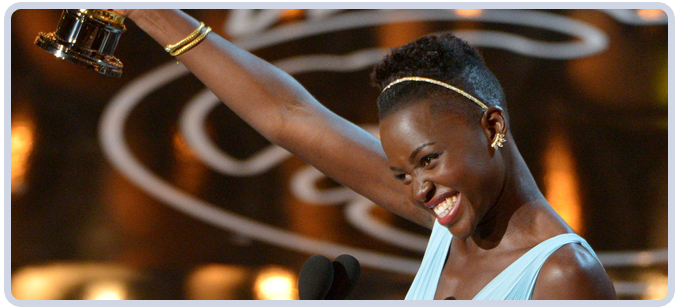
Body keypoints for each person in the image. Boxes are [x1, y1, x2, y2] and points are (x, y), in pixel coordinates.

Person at [112, 9, 617, 299]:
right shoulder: (449, 220)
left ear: (491, 127)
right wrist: (149, 12)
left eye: (428, 160)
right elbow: (289, 116)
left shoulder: (563, 276)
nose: (419, 189)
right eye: (401, 173)